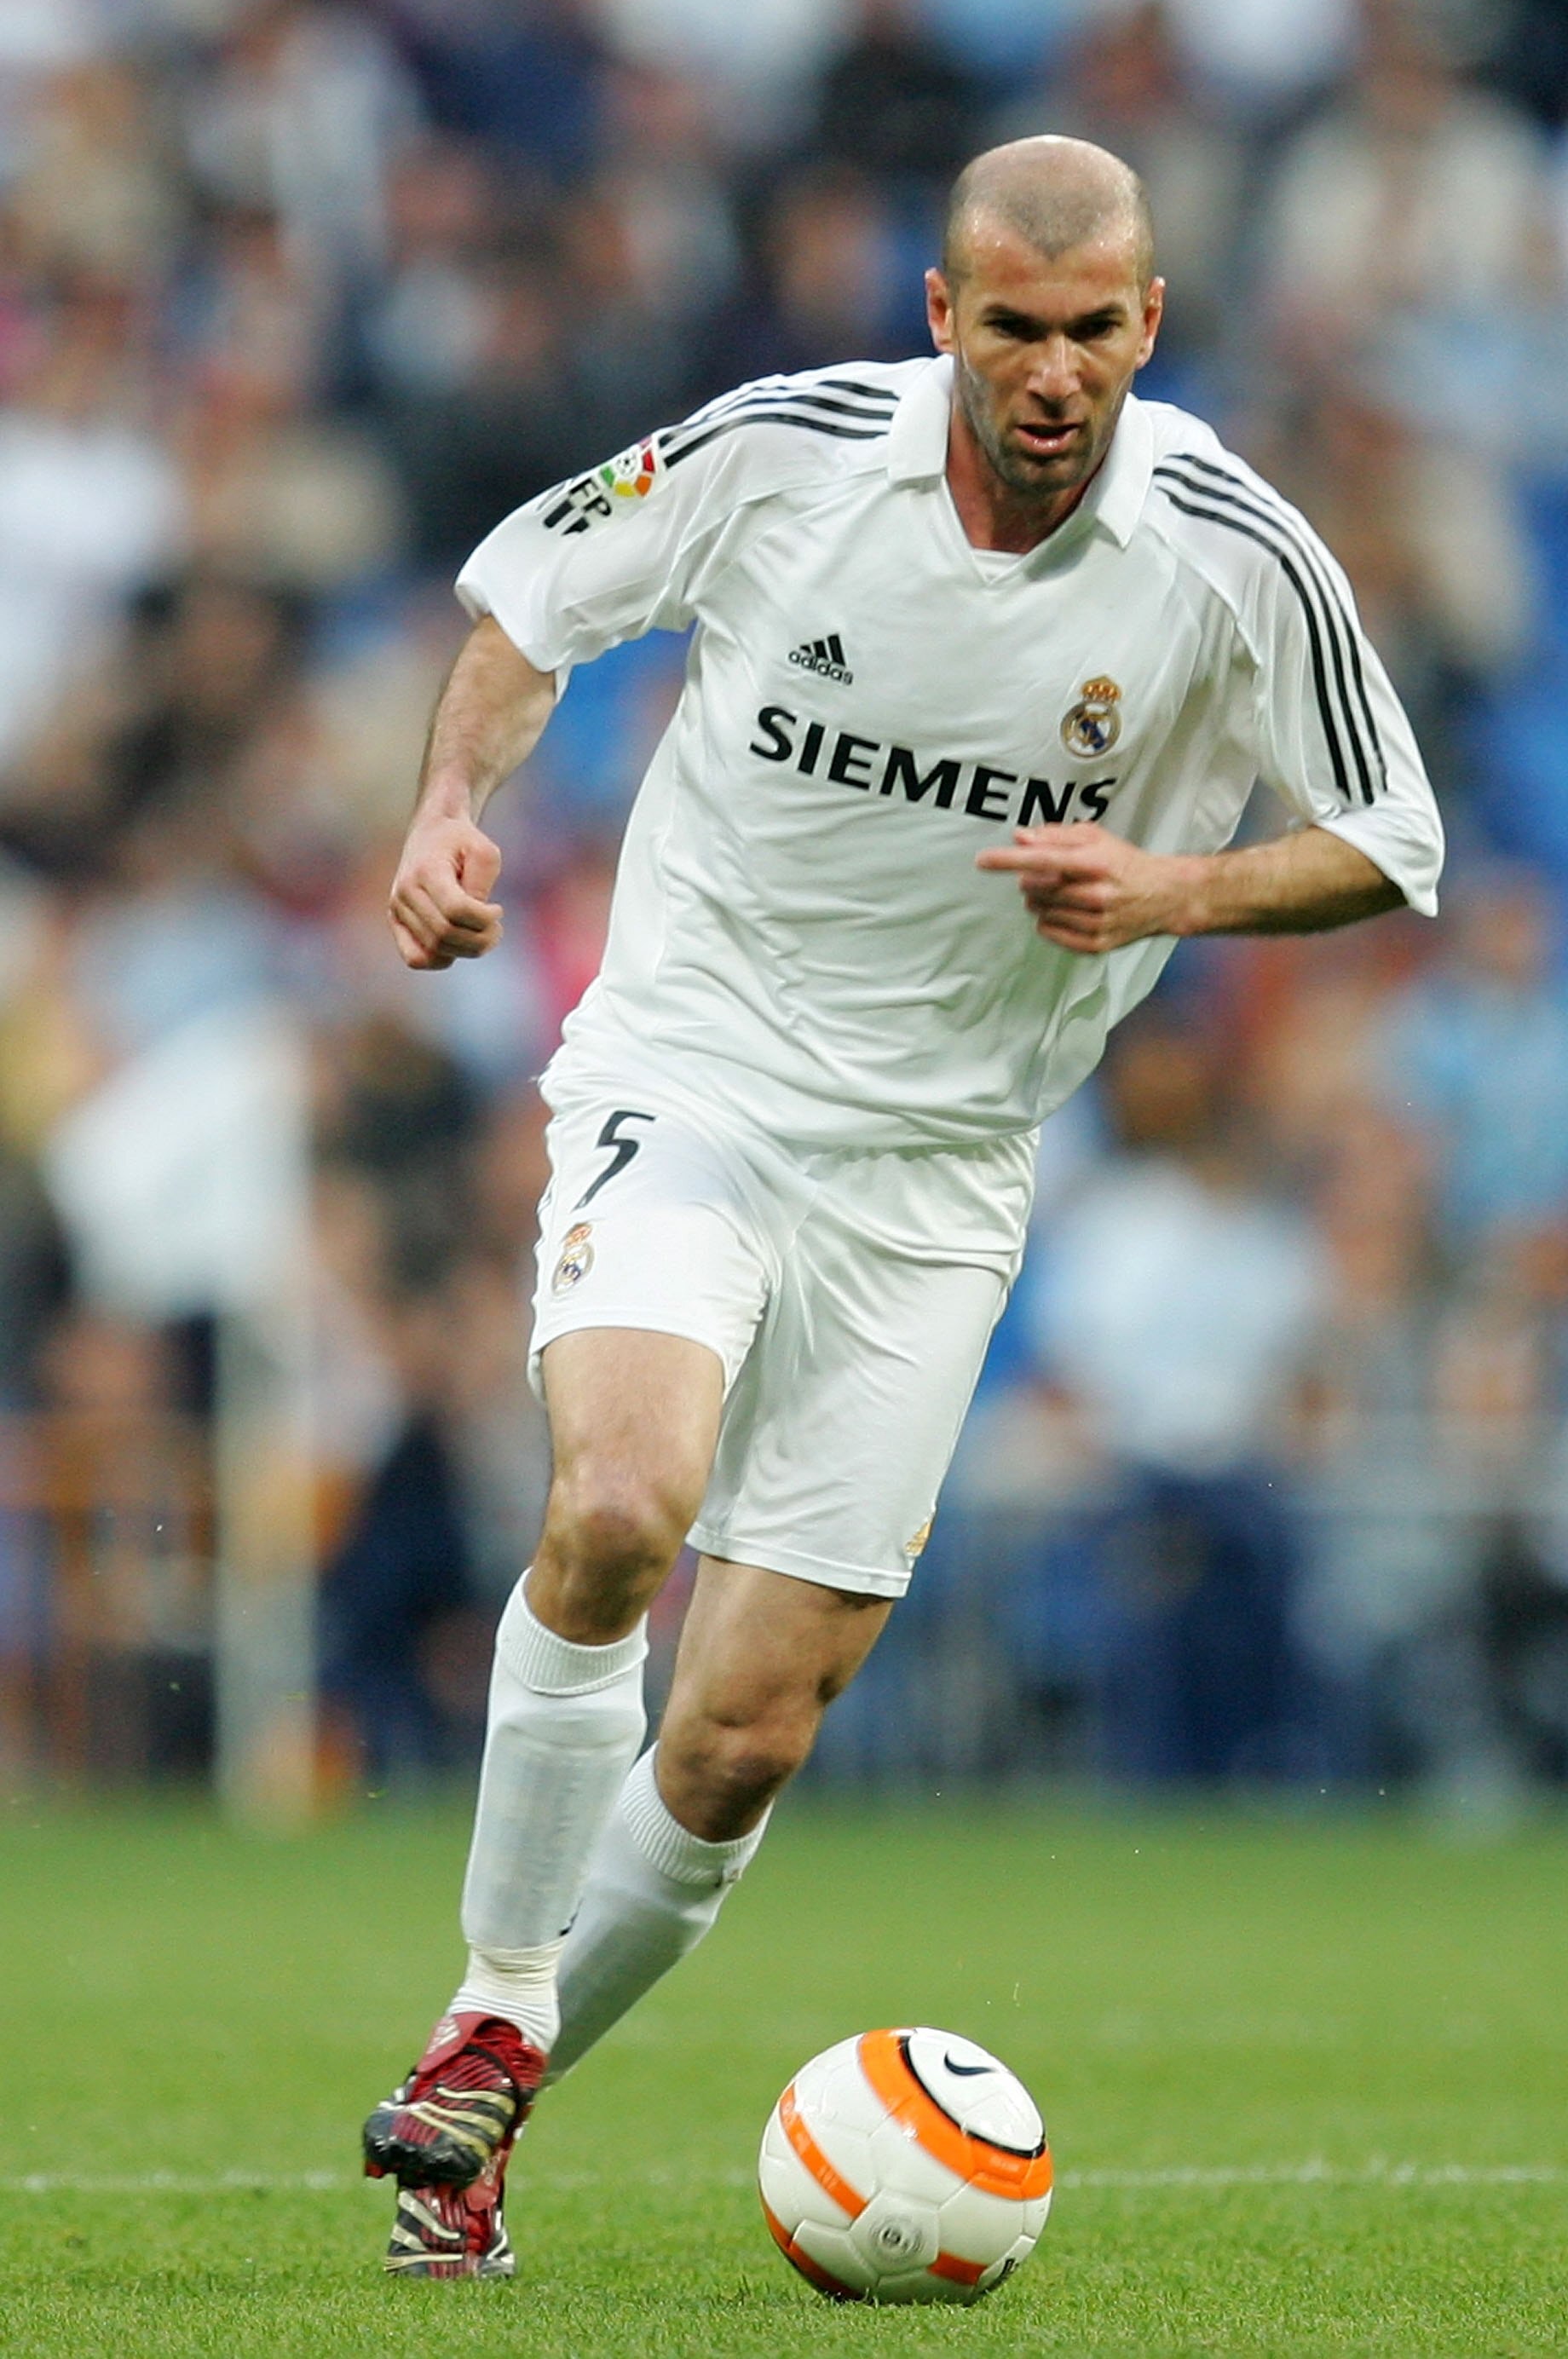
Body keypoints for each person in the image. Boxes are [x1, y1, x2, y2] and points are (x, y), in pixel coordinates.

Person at [363, 133, 1444, 2278]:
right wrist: (447, 808)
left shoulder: (1231, 547)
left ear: (1151, 324)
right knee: (614, 1512)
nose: (1055, 377)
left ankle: (488, 2099)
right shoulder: (784, 453)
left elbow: (1392, 838)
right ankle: (492, 2005)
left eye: (1096, 333)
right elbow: (527, 599)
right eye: (1014, 330)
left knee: (750, 1730)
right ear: (943, 316)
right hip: (694, 1074)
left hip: (944, 1168)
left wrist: (1182, 886)